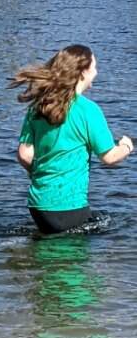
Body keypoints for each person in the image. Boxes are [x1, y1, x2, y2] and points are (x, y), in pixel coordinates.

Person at [12, 44, 133, 234]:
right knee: (76, 257)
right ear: (82, 72)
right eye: (94, 67)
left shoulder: (38, 107)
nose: (96, 72)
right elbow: (109, 157)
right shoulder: (88, 110)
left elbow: (24, 155)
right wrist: (127, 145)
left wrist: (39, 173)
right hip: (68, 206)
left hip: (38, 205)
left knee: (49, 251)